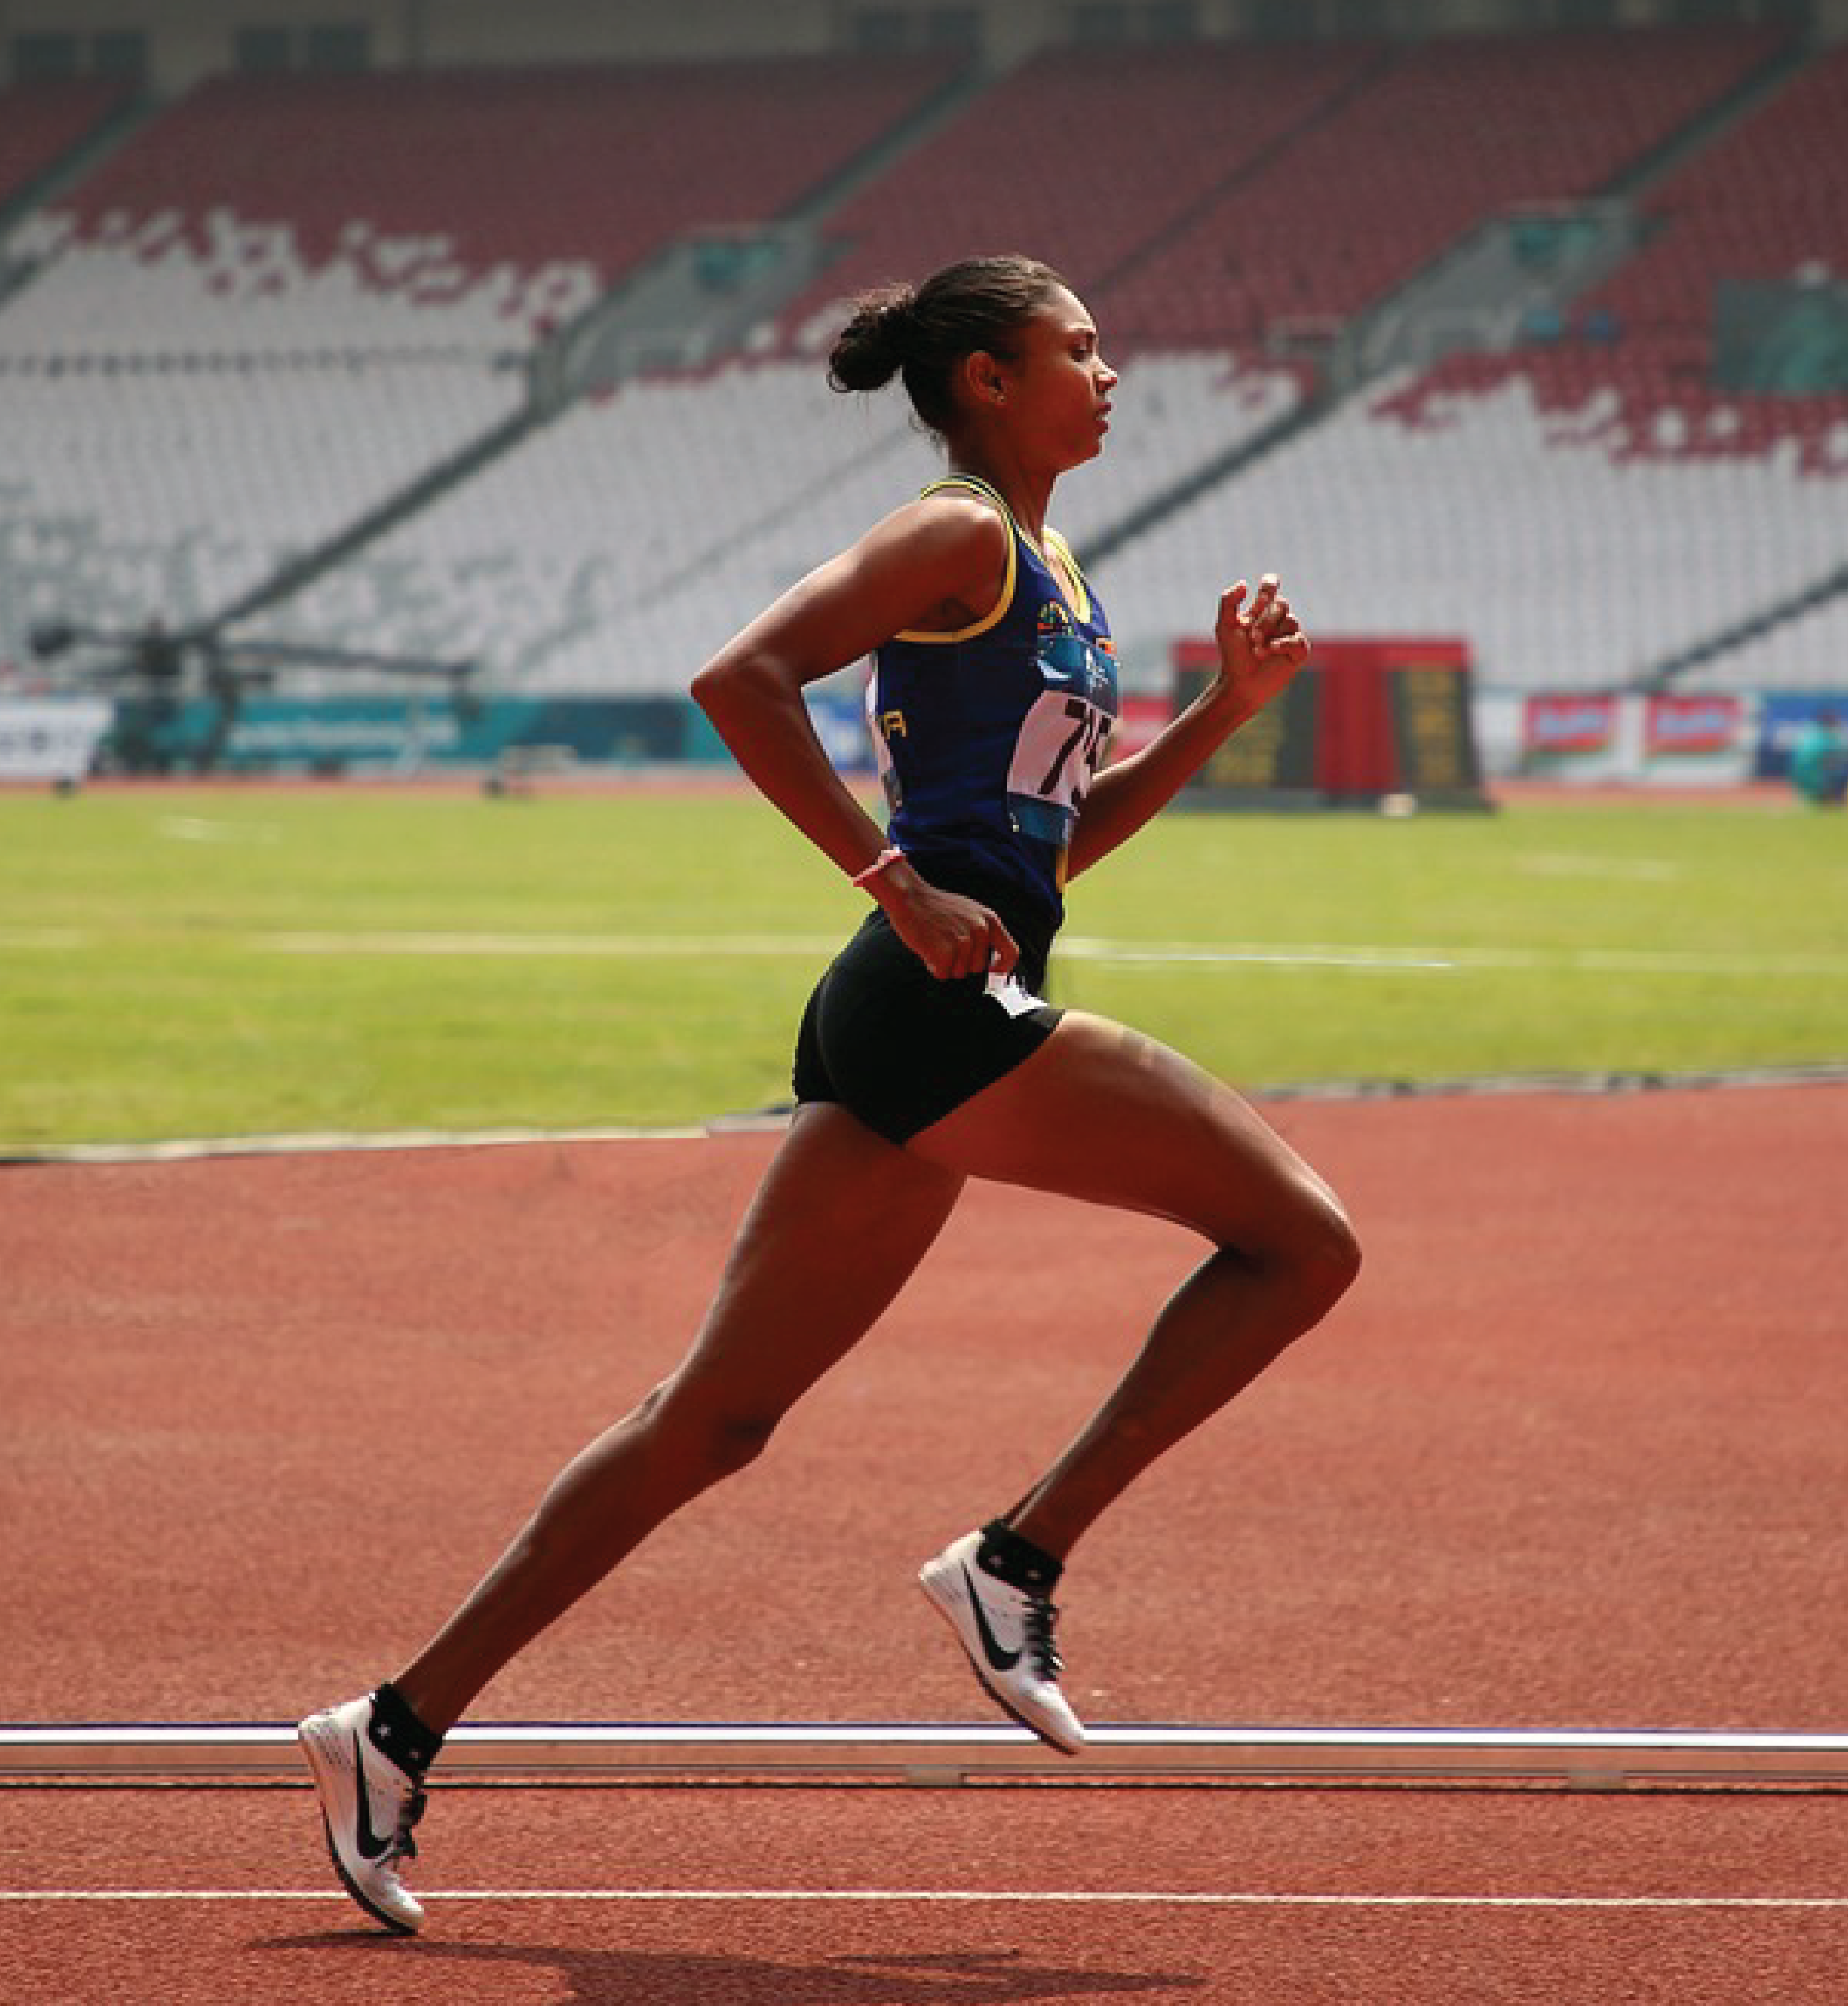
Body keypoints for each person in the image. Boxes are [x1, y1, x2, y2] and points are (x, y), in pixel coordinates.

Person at [298, 253, 1362, 1935]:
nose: (1109, 372)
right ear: (989, 380)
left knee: (711, 1421)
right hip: (930, 1000)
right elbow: (740, 677)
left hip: (924, 1004)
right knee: (1302, 1245)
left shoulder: (1053, 564)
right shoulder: (956, 536)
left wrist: (1226, 714)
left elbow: (1053, 845)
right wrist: (890, 881)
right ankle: (1014, 1561)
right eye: (1074, 349)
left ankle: (391, 1728)